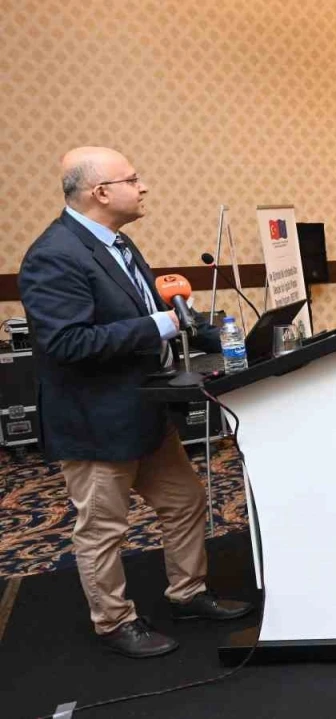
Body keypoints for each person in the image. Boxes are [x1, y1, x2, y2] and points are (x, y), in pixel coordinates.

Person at [17, 147, 253, 659]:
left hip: (145, 409)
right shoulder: (54, 255)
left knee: (184, 501)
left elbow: (149, 314)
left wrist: (208, 333)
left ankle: (187, 593)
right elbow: (67, 343)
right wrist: (160, 324)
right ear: (101, 192)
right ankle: (113, 621)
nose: (143, 187)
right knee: (103, 529)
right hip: (96, 421)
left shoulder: (119, 244)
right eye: (133, 179)